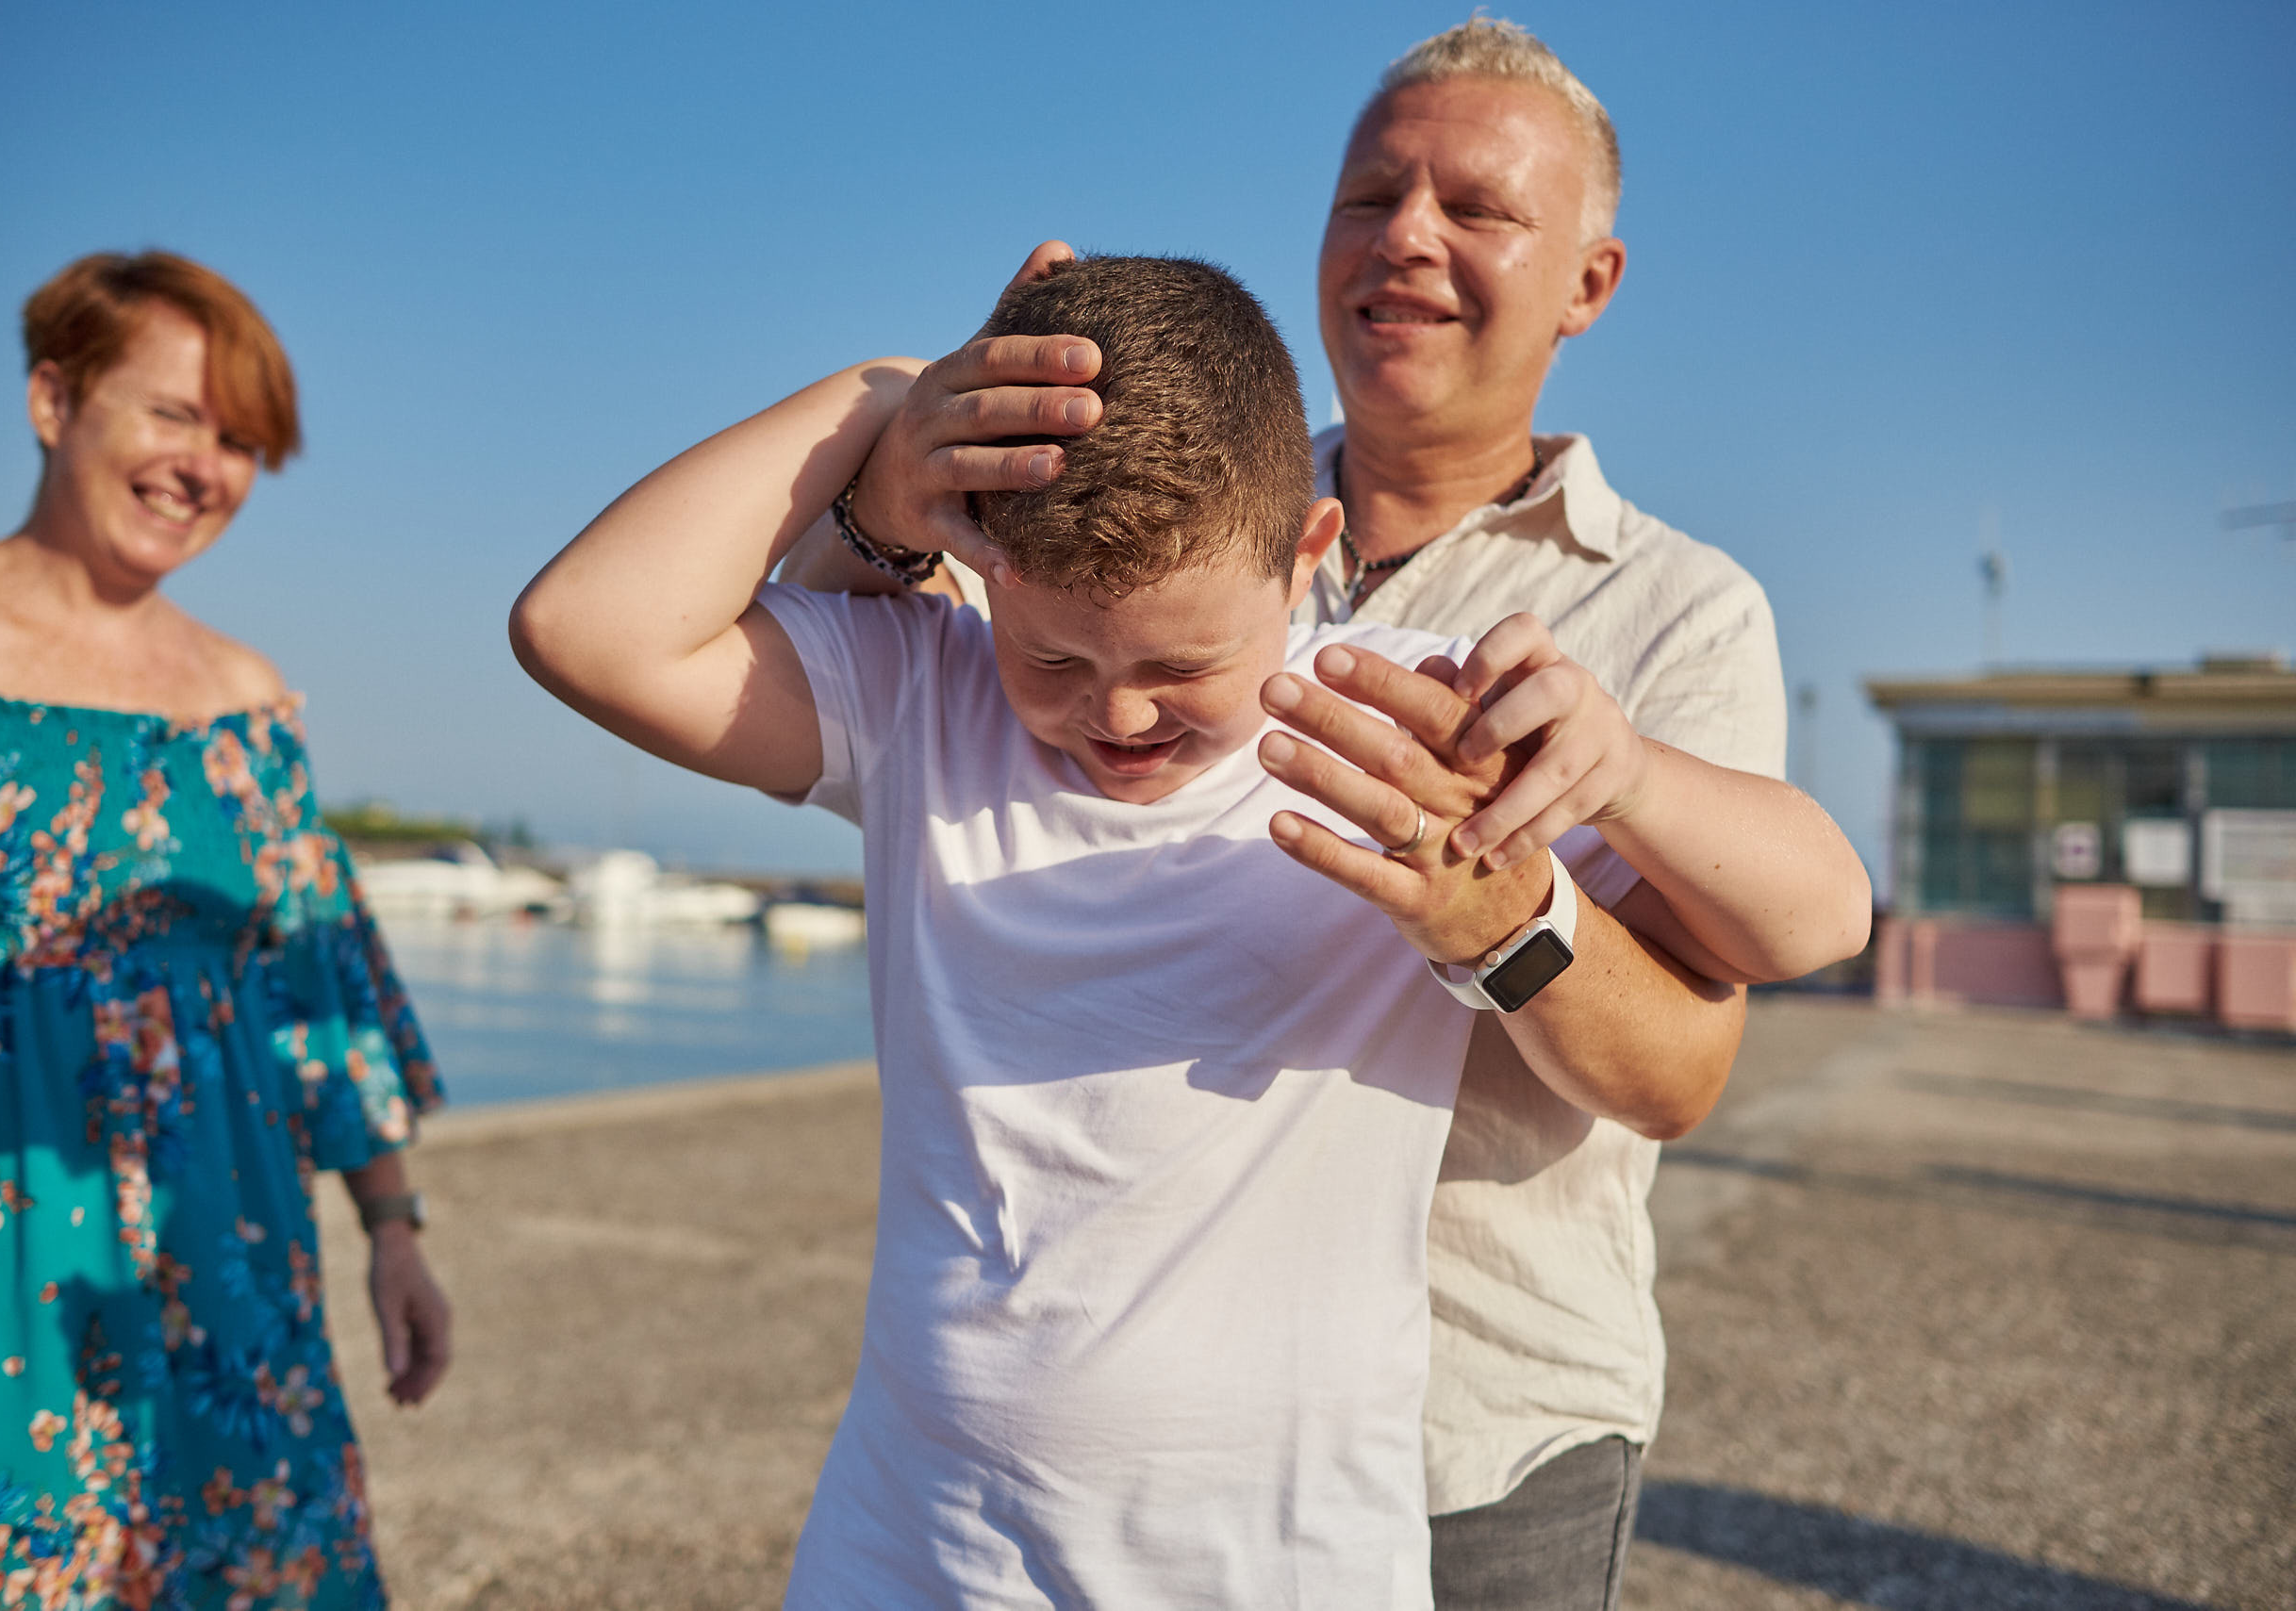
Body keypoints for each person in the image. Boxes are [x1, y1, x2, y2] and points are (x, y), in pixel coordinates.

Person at [795, 21, 1875, 1610]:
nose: (1410, 239)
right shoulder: (1155, 510)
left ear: (1589, 284)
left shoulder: (1674, 608)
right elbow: (850, 665)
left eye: (1479, 209)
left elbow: (1689, 1061)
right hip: (1100, 1464)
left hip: (1485, 1428)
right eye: (1370, 195)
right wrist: (881, 479)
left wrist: (1558, 843)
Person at [511, 254, 1746, 1607]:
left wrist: (1558, 851)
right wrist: (877, 400)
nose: (1122, 715)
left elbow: (1754, 975)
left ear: (1309, 558)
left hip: (1286, 1561)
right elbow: (580, 627)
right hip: (914, 1551)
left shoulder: (1399, 744)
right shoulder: (929, 693)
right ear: (984, 568)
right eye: (1058, 660)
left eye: (1183, 668)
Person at [0, 251, 450, 1608]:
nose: (205, 465)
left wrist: (392, 1228)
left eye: (241, 439)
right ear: (51, 398)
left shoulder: (242, 698)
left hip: (229, 1251)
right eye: (173, 415)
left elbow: (319, 980)